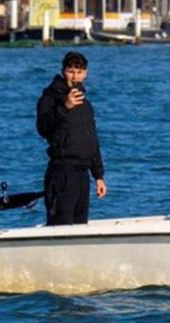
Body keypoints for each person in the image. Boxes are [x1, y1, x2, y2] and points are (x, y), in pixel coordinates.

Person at [36, 51, 107, 225]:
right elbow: (43, 129)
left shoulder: (85, 105)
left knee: (80, 226)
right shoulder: (50, 97)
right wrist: (65, 107)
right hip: (62, 173)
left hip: (83, 174)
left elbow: (91, 140)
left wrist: (98, 175)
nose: (75, 76)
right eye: (71, 71)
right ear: (63, 71)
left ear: (85, 74)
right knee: (61, 225)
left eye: (79, 72)